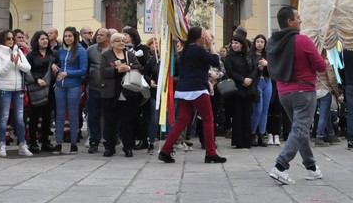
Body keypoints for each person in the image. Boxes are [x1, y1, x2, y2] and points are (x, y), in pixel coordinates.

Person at [266, 6, 326, 184]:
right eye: (298, 17)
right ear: (289, 22)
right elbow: (320, 67)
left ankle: (311, 167)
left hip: (284, 92)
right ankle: (280, 166)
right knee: (300, 129)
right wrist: (325, 61)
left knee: (300, 131)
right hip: (303, 91)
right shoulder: (303, 41)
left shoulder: (272, 43)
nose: (300, 20)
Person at [158, 27, 226, 164]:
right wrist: (212, 44)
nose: (205, 36)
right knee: (208, 119)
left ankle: (165, 150)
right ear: (198, 37)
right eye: (203, 34)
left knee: (182, 120)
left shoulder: (186, 50)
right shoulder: (198, 49)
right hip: (197, 89)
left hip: (184, 89)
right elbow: (214, 62)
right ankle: (211, 152)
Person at [101, 32, 143, 157]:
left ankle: (128, 147)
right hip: (111, 92)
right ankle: (109, 147)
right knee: (110, 122)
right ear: (112, 43)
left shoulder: (129, 54)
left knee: (127, 122)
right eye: (118, 41)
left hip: (127, 93)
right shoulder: (106, 55)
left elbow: (139, 66)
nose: (121, 43)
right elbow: (103, 71)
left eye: (123, 41)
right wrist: (116, 70)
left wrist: (128, 67)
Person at [0, 29, 33, 157]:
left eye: (12, 38)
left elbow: (27, 68)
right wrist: (11, 62)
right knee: (4, 117)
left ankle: (22, 144)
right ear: (2, 40)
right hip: (5, 89)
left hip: (18, 88)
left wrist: (18, 63)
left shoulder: (18, 51)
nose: (10, 40)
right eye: (8, 38)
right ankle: (2, 144)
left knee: (20, 118)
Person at [52, 26, 87, 153]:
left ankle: (73, 143)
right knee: (59, 115)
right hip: (60, 86)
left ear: (75, 37)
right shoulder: (61, 50)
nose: (67, 38)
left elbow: (83, 70)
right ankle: (58, 143)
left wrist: (67, 73)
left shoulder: (81, 50)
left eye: (70, 36)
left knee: (73, 115)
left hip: (74, 86)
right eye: (65, 36)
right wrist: (54, 66)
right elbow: (60, 64)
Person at [223, 35, 258, 149]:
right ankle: (238, 141)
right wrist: (243, 79)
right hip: (237, 89)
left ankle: (247, 141)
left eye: (236, 43)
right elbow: (230, 72)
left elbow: (254, 68)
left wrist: (250, 79)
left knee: (248, 114)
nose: (234, 45)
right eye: (232, 43)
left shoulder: (248, 55)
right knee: (237, 115)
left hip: (248, 88)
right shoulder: (229, 57)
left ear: (242, 44)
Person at [26, 31, 56, 152]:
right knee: (34, 117)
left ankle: (45, 142)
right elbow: (28, 70)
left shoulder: (53, 54)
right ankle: (32, 142)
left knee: (47, 117)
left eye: (46, 39)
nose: (45, 41)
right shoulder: (31, 55)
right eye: (42, 39)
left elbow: (59, 65)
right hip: (35, 89)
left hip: (49, 88)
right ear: (36, 41)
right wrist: (37, 78)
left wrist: (54, 65)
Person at [85, 28, 110, 153]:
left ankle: (108, 142)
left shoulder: (113, 50)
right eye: (98, 34)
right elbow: (86, 66)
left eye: (102, 35)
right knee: (93, 116)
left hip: (109, 89)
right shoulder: (90, 50)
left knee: (108, 116)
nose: (98, 36)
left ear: (108, 38)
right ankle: (94, 141)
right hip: (93, 88)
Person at [313, 51, 342, 147]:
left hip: (315, 91)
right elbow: (332, 79)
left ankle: (331, 135)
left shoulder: (312, 63)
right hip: (325, 91)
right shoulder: (326, 63)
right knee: (323, 115)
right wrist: (336, 92)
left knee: (327, 114)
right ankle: (319, 136)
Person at [250, 34, 272, 147]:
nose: (259, 43)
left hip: (267, 82)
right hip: (256, 83)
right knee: (257, 110)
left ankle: (261, 135)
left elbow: (274, 69)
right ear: (255, 43)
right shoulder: (251, 55)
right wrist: (259, 67)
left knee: (265, 110)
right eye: (257, 41)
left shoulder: (268, 56)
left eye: (262, 41)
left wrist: (267, 64)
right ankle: (252, 134)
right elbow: (249, 70)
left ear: (265, 44)